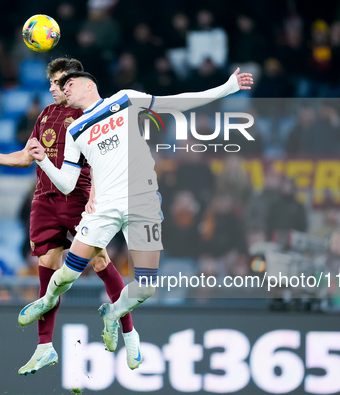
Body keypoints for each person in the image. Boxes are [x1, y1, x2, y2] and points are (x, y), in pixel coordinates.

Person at [24, 68, 252, 353]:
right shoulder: (74, 130)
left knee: (145, 288)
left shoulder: (125, 99)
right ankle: (45, 301)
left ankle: (113, 311)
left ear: (88, 84)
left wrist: (226, 88)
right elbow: (68, 184)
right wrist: (44, 161)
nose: (64, 89)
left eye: (69, 83)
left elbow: (176, 102)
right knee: (68, 275)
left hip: (142, 202)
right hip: (104, 206)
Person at [0, 58, 138, 374]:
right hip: (44, 198)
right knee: (46, 267)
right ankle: (44, 347)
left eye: (57, 82)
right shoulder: (45, 114)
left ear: (71, 83)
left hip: (77, 198)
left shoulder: (88, 115)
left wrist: (96, 197)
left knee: (99, 261)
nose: (52, 88)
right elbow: (26, 156)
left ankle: (129, 333)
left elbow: (105, 159)